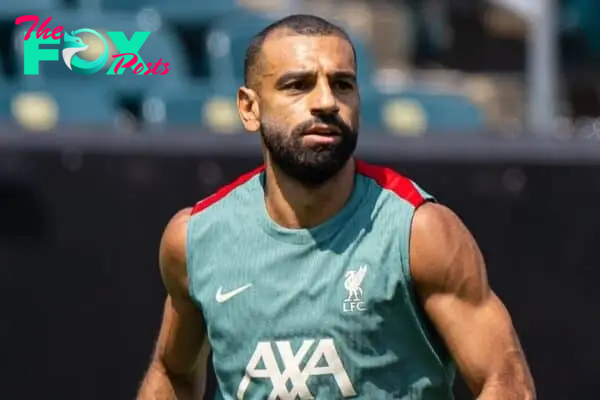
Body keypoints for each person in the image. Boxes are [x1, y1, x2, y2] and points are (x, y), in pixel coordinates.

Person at [137, 14, 535, 400]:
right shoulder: (195, 237)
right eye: (298, 85)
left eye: (342, 85)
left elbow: (504, 381)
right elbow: (172, 373)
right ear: (249, 108)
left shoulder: (419, 231)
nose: (326, 102)